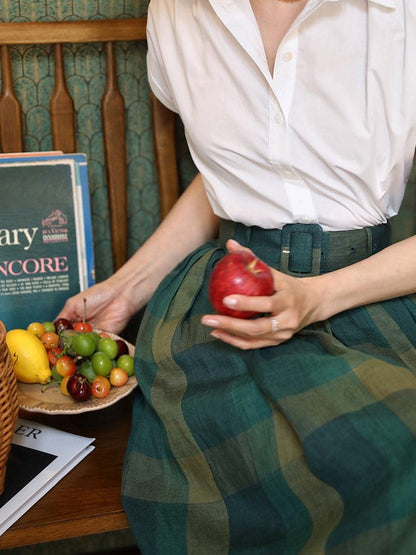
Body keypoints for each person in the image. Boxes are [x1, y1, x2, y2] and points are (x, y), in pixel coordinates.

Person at [57, 0, 416, 553]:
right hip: (220, 318)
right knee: (212, 505)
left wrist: (316, 296)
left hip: (375, 293)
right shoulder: (175, 14)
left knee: (392, 454)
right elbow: (232, 177)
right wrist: (126, 289)